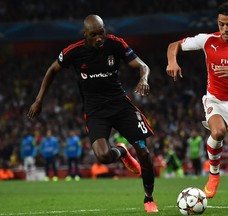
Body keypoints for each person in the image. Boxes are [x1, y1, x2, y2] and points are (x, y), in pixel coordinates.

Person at [27, 15, 158, 212]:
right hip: (96, 111)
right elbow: (52, 70)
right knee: (103, 156)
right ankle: (121, 151)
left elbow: (142, 66)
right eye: (94, 34)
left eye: (101, 33)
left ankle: (148, 198)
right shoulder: (74, 51)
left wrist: (144, 79)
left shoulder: (115, 44)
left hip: (121, 105)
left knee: (144, 152)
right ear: (85, 34)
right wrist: (39, 100)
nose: (99, 38)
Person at [166, 2, 228, 206]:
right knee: (218, 132)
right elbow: (173, 45)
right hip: (215, 99)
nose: (225, 29)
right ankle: (213, 175)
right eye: (221, 24)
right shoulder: (207, 40)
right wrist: (172, 61)